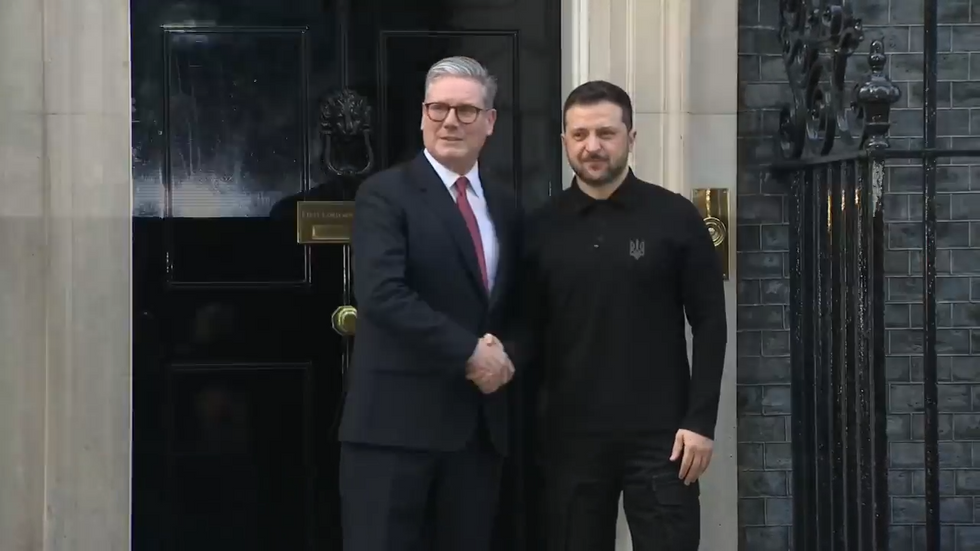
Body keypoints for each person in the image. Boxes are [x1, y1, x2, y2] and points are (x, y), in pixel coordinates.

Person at [523, 80, 727, 551]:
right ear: (564, 142)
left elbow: (711, 324)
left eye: (606, 133)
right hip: (568, 438)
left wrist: (701, 423)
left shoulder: (675, 218)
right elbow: (527, 330)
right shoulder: (539, 227)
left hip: (664, 439)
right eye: (579, 135)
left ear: (631, 138)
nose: (592, 146)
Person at [338, 56, 525, 551]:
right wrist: (471, 351)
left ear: (490, 122)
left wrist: (507, 358)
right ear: (422, 115)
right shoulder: (384, 195)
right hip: (394, 432)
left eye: (466, 111)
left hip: (477, 435)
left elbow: (521, 305)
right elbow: (382, 295)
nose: (449, 121)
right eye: (438, 108)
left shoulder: (507, 206)